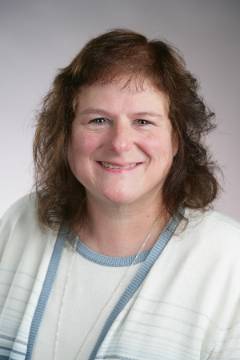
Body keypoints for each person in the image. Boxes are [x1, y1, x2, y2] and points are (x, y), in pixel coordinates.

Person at [0, 29, 240, 360]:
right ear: (66, 134)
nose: (120, 143)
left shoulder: (229, 258)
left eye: (143, 121)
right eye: (98, 120)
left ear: (176, 140)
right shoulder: (20, 223)